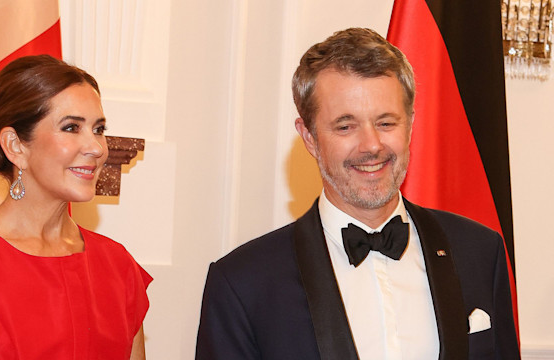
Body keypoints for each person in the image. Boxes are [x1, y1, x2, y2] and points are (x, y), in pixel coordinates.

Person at [195, 28, 519, 360]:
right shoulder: (242, 283)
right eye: (346, 126)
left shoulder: (480, 252)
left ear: (410, 124)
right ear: (309, 137)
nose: (372, 146)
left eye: (386, 123)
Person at [0, 55, 151, 359]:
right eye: (71, 128)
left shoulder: (118, 267)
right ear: (15, 145)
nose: (96, 148)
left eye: (99, 128)